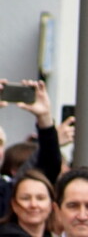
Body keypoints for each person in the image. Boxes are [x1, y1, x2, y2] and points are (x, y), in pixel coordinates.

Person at [0, 79, 63, 218]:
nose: (33, 204)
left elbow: (47, 168)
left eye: (0, 143)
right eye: (26, 199)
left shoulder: (9, 189)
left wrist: (45, 118)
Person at [0, 171, 55, 237]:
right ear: (14, 205)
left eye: (40, 198)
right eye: (26, 198)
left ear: (51, 205)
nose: (33, 205)